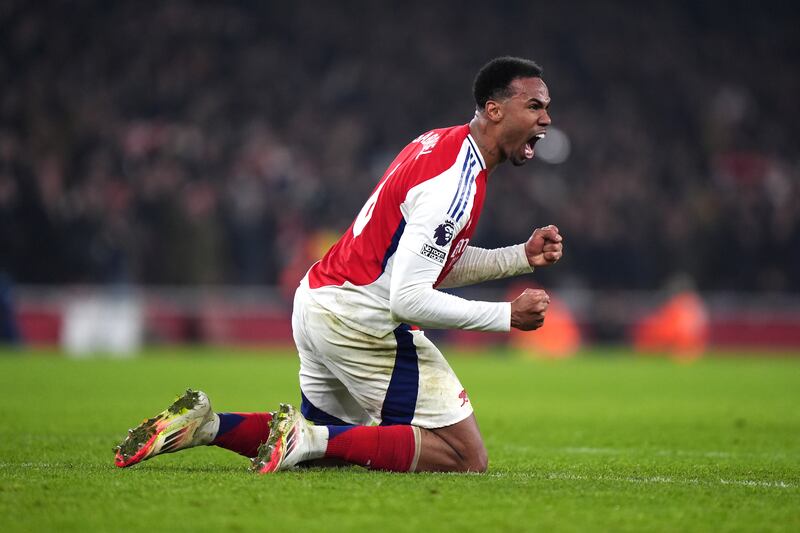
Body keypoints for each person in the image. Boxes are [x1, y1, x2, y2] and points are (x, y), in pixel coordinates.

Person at [114, 56, 563, 473]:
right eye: (534, 106)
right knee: (465, 456)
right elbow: (408, 299)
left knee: (326, 449)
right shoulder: (453, 184)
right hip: (360, 320)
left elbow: (427, 264)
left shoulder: (438, 144)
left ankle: (207, 425)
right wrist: (506, 316)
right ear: (494, 110)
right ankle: (305, 438)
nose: (545, 119)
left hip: (320, 301)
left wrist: (518, 256)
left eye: (546, 108)